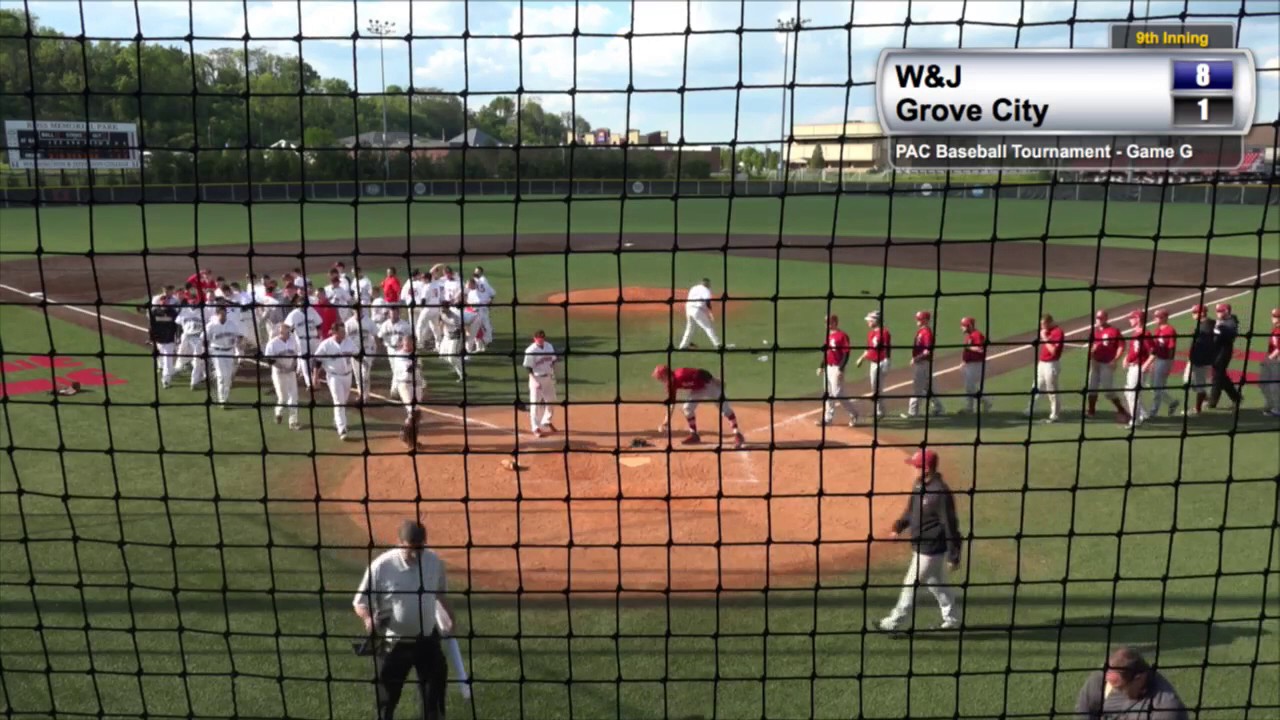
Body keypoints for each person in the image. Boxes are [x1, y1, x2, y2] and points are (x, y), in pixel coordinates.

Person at [353, 520, 455, 720]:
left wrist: (449, 616)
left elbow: (439, 594)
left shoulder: (433, 561)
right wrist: (368, 619)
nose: (417, 553)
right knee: (387, 701)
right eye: (411, 548)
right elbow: (360, 603)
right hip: (394, 644)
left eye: (420, 547)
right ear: (400, 543)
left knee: (433, 697)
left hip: (427, 640)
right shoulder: (382, 566)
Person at [878, 448, 962, 632]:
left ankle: (893, 623)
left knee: (910, 585)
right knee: (937, 585)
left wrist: (954, 555)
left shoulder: (940, 492)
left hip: (931, 548)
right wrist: (898, 528)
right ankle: (953, 620)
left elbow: (950, 525)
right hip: (920, 545)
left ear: (925, 468)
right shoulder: (919, 485)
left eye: (916, 466)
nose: (913, 469)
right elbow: (911, 511)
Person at [1075, 646, 1189, 720]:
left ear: (1139, 679)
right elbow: (1084, 712)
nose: (1112, 690)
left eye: (1119, 688)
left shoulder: (1166, 709)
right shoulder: (1101, 680)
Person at [652, 364, 745, 449]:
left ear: (665, 375)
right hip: (697, 390)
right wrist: (666, 421)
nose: (659, 380)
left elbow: (702, 373)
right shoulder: (670, 385)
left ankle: (737, 434)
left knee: (725, 410)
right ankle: (694, 435)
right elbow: (671, 403)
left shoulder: (681, 374)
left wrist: (715, 380)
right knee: (687, 408)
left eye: (660, 377)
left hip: (710, 385)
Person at [313, 323, 358, 441]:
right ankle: (342, 428)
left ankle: (337, 420)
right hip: (334, 377)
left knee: (344, 401)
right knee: (339, 402)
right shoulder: (326, 345)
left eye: (344, 331)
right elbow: (317, 361)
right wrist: (315, 377)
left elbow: (357, 354)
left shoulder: (348, 342)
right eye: (342, 331)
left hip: (348, 376)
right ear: (335, 332)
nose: (344, 334)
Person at [814, 314, 859, 427]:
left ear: (835, 323)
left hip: (837, 368)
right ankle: (827, 419)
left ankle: (854, 414)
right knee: (828, 393)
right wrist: (821, 366)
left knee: (838, 393)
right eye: (826, 322)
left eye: (828, 322)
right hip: (828, 367)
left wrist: (841, 369)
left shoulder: (842, 336)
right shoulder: (828, 336)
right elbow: (827, 353)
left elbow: (846, 353)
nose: (826, 325)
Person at [1086, 310, 1129, 423]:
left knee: (1108, 389)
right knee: (1091, 387)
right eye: (1097, 318)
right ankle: (1091, 410)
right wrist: (1092, 353)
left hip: (1107, 364)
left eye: (1100, 318)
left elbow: (1121, 346)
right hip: (1095, 363)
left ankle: (1121, 409)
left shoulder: (1113, 331)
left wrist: (1115, 359)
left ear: (1106, 318)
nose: (1098, 320)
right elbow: (1092, 348)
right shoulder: (1094, 333)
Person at [902, 310, 945, 419]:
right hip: (923, 363)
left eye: (919, 319)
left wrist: (916, 359)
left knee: (917, 387)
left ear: (925, 320)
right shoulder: (922, 331)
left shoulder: (926, 333)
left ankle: (913, 412)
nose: (917, 320)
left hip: (923, 363)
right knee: (928, 387)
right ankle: (939, 409)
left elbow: (927, 351)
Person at [1025, 313, 1064, 423]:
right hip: (1042, 363)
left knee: (1051, 390)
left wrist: (1045, 338)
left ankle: (1054, 415)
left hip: (1052, 364)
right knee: (1036, 387)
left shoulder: (1058, 332)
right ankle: (1030, 410)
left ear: (1049, 322)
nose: (1041, 326)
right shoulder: (1047, 331)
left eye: (1043, 324)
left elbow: (1053, 351)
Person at [262, 322, 301, 429]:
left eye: (287, 330)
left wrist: (293, 366)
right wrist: (282, 367)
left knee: (294, 397)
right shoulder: (273, 343)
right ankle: (278, 412)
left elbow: (296, 356)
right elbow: (270, 360)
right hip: (279, 373)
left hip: (291, 372)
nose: (286, 332)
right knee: (282, 397)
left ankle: (293, 422)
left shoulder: (293, 342)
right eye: (284, 330)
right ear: (280, 331)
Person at [204, 302, 243, 408]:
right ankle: (222, 400)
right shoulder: (211, 325)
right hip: (217, 352)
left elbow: (239, 336)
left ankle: (225, 397)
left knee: (228, 377)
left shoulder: (232, 324)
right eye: (221, 314)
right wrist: (205, 351)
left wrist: (238, 344)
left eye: (224, 313)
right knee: (222, 376)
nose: (223, 316)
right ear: (217, 314)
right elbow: (204, 338)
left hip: (229, 352)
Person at [522, 330, 559, 437]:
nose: (541, 341)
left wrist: (553, 373)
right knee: (535, 403)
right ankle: (535, 428)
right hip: (536, 378)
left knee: (551, 400)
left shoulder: (549, 346)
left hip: (548, 377)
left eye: (542, 339)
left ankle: (546, 421)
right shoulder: (530, 350)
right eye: (538, 339)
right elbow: (528, 367)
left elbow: (553, 360)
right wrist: (534, 380)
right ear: (534, 339)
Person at [855, 310, 891, 419]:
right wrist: (861, 358)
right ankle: (880, 411)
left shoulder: (884, 333)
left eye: (870, 320)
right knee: (875, 387)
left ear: (876, 320)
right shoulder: (870, 334)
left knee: (877, 388)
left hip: (882, 362)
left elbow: (886, 348)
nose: (868, 322)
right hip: (873, 363)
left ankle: (880, 412)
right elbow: (868, 349)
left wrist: (886, 362)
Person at [1208, 302, 1243, 410]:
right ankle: (1236, 397)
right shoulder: (1224, 322)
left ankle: (1213, 402)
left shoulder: (1229, 324)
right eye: (1217, 311)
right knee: (1221, 376)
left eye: (1220, 311)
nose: (1217, 313)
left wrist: (1217, 329)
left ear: (1227, 311)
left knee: (1217, 376)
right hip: (1218, 351)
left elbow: (1222, 337)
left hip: (1223, 352)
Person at [145, 286, 180, 389]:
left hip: (169, 341)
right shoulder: (154, 312)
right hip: (159, 341)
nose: (164, 305)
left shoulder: (173, 313)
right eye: (162, 303)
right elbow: (151, 327)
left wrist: (177, 338)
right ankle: (166, 371)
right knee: (162, 359)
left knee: (168, 361)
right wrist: (152, 339)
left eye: (165, 303)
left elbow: (177, 326)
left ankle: (166, 380)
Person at [1183, 304, 1216, 415]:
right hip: (1195, 359)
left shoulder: (1206, 326)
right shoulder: (1204, 324)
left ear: (1201, 313)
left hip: (1200, 360)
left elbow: (1205, 344)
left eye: (1194, 312)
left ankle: (1197, 409)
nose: (1192, 314)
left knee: (1199, 385)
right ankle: (1206, 398)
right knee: (1187, 381)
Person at [1146, 309, 1179, 416]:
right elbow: (1155, 348)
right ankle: (1172, 402)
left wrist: (1167, 365)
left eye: (1158, 317)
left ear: (1165, 318)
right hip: (1157, 359)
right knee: (1153, 386)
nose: (1155, 319)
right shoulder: (1157, 330)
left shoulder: (1170, 331)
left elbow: (1171, 348)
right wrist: (1152, 362)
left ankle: (1153, 411)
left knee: (1157, 386)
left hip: (1165, 360)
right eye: (1155, 317)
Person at [1122, 310, 1151, 429]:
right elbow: (1133, 349)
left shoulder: (1145, 334)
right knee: (1129, 392)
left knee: (1133, 394)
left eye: (1132, 318)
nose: (1130, 320)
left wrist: (1146, 365)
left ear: (1138, 319)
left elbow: (1153, 352)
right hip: (1133, 366)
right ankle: (1143, 414)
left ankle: (1135, 420)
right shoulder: (1136, 332)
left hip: (1139, 368)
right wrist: (1126, 359)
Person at [957, 317, 992, 414]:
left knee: (970, 386)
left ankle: (986, 401)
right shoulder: (969, 336)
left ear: (970, 326)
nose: (962, 328)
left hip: (977, 365)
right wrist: (964, 362)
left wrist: (970, 347)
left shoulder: (977, 335)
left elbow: (980, 349)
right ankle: (970, 408)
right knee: (968, 387)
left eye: (963, 326)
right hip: (969, 364)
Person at [345, 306, 379, 406]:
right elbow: (345, 339)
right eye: (356, 310)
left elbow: (376, 335)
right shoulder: (348, 323)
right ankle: (364, 394)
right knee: (358, 376)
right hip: (354, 352)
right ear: (353, 311)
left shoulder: (369, 321)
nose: (358, 312)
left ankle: (362, 396)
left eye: (359, 310)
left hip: (367, 350)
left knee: (364, 374)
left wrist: (377, 349)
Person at [389, 336, 427, 421]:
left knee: (416, 411)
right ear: (402, 343)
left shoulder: (416, 354)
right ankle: (406, 430)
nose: (406, 345)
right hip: (404, 385)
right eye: (405, 343)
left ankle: (411, 429)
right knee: (412, 410)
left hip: (417, 384)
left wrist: (424, 384)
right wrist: (415, 363)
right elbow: (408, 369)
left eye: (409, 343)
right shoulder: (399, 355)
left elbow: (419, 370)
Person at [677, 278, 721, 350]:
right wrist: (710, 312)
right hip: (697, 310)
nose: (710, 285)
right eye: (709, 284)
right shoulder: (706, 290)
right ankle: (717, 344)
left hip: (688, 309)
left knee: (690, 328)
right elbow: (707, 301)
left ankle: (683, 346)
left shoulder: (694, 288)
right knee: (708, 327)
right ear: (707, 284)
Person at [437, 303, 466, 383]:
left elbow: (461, 330)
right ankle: (458, 363)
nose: (442, 310)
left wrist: (463, 345)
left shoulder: (455, 317)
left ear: (448, 308)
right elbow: (441, 320)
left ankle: (463, 375)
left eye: (443, 308)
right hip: (446, 336)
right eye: (441, 308)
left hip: (455, 338)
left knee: (451, 358)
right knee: (442, 355)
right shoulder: (441, 312)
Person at [1262, 308, 1280, 418]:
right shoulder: (1276, 329)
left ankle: (1277, 409)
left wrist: (1269, 359)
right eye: (1273, 315)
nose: (1273, 318)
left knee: (1274, 386)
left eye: (1276, 316)